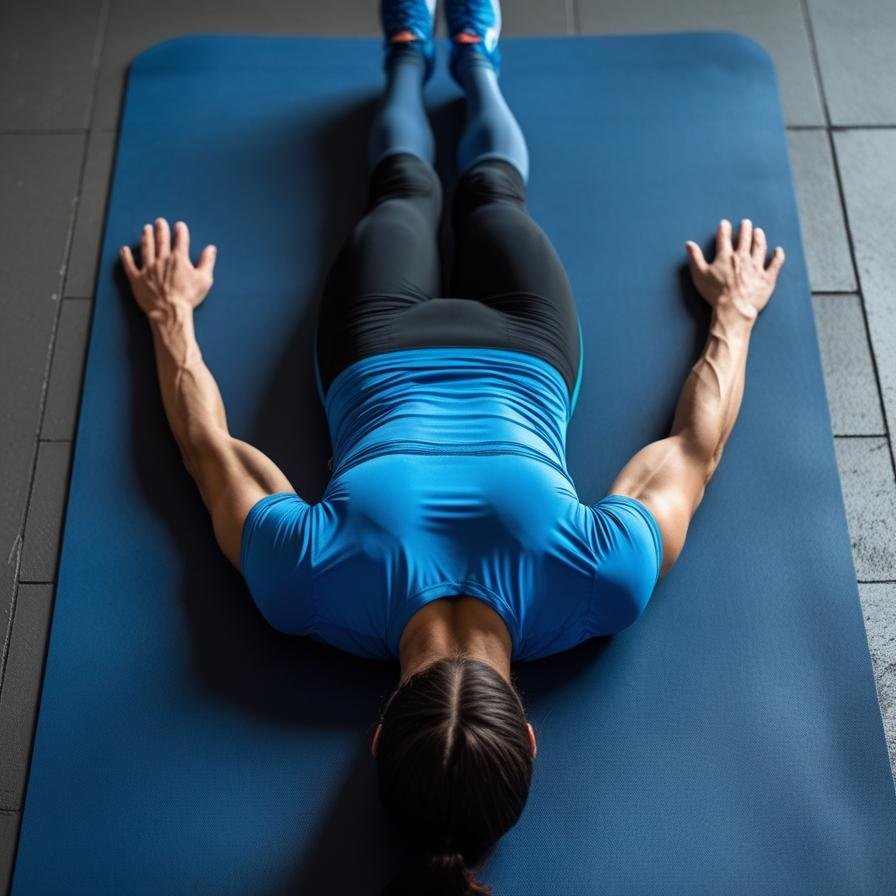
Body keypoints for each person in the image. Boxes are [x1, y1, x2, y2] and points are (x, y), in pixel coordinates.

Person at [119, 0, 786, 892]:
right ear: (384, 732)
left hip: (461, 344)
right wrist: (174, 321)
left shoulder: (604, 585)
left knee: (429, 195)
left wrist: (732, 318)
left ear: (531, 734)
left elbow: (692, 446)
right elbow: (208, 447)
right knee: (465, 193)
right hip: (438, 345)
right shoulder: (303, 588)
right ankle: (466, 55)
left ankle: (415, 50)